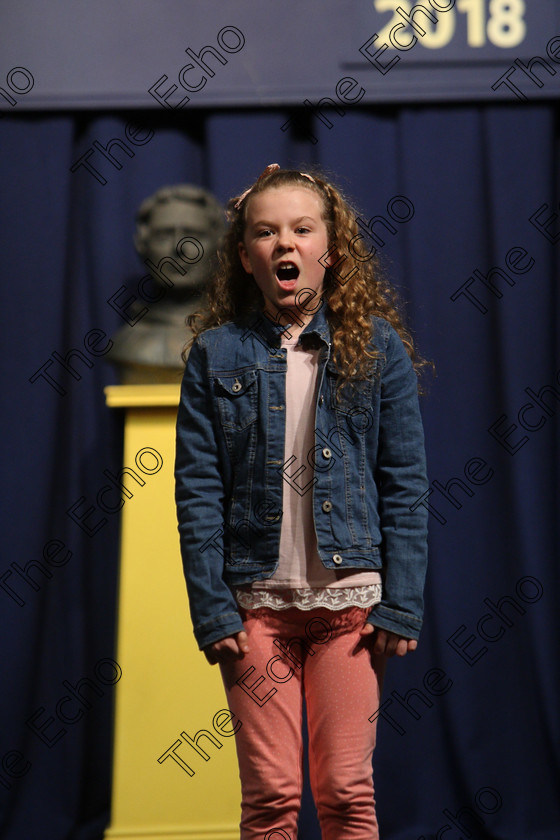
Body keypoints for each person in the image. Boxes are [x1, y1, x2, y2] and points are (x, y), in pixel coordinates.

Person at [174, 164, 429, 840]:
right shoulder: (214, 354)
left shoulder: (376, 349)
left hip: (350, 608)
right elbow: (197, 490)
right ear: (245, 255)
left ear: (330, 249)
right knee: (272, 796)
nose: (284, 243)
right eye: (266, 231)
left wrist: (401, 601)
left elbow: (404, 482)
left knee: (346, 791)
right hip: (254, 609)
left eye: (301, 228)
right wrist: (210, 605)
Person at [109, 184, 225, 383]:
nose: (178, 248)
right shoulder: (127, 343)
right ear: (142, 246)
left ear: (219, 245)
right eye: (163, 236)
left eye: (193, 235)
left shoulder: (236, 339)